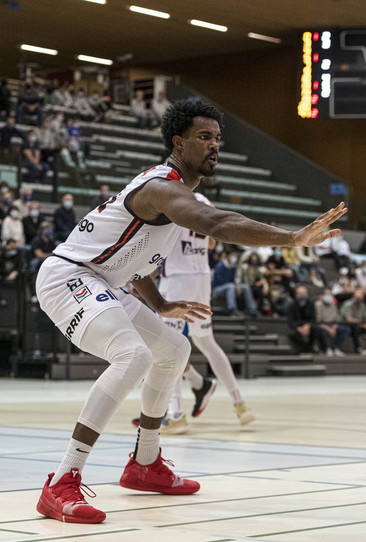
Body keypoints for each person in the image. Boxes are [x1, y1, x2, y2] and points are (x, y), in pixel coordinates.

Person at [34, 99, 346, 523]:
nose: (214, 145)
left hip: (101, 280)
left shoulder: (176, 193)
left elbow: (131, 256)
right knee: (134, 355)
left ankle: (144, 464)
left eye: (218, 138)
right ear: (178, 142)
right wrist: (291, 237)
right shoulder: (164, 187)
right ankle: (62, 482)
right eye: (204, 137)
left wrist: (160, 303)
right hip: (67, 276)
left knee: (174, 350)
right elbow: (217, 224)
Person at [156, 192, 255, 432]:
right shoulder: (205, 201)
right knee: (207, 342)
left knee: (168, 346)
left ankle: (176, 413)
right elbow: (211, 242)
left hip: (178, 277)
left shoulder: (169, 196)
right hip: (202, 276)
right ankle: (240, 404)